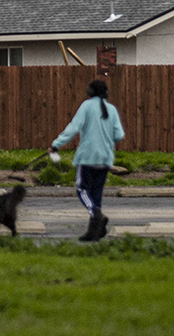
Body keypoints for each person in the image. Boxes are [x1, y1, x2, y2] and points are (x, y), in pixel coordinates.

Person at [51, 78, 125, 242]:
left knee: (81, 188)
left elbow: (73, 127)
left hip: (87, 157)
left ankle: (96, 214)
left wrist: (56, 144)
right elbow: (119, 135)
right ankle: (94, 232)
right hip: (105, 158)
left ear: (90, 92)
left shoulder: (86, 106)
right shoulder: (111, 109)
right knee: (96, 193)